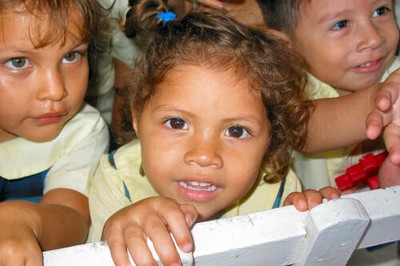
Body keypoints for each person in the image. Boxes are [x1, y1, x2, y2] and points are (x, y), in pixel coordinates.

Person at [87, 3, 342, 265]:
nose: (204, 155)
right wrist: (118, 233)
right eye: (176, 123)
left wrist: (302, 234)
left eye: (235, 130)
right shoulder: (116, 181)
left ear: (270, 137)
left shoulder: (278, 189)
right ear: (137, 116)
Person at [0, 0, 109, 264]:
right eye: (18, 62)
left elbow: (73, 217)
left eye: (71, 56)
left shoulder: (81, 130)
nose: (55, 90)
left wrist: (22, 220)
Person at [257, 0, 400, 191]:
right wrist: (383, 104)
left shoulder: (394, 73)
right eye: (341, 24)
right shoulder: (286, 89)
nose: (373, 39)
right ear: (284, 46)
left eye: (380, 11)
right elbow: (305, 129)